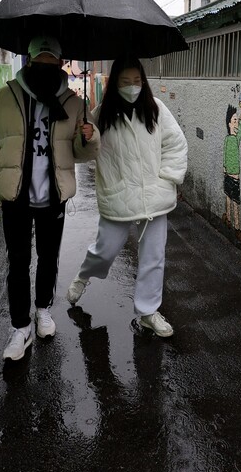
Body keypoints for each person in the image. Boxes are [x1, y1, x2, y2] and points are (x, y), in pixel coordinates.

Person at [0, 36, 98, 361]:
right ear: (28, 63)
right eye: (38, 63)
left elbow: (82, 153)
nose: (45, 69)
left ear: (59, 65)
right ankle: (19, 327)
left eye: (50, 64)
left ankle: (43, 311)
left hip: (53, 197)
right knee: (18, 262)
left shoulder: (72, 103)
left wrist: (88, 136)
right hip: (16, 197)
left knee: (48, 258)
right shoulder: (4, 98)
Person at [65, 58, 188, 338]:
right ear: (114, 84)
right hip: (117, 195)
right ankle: (84, 275)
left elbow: (176, 143)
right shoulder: (100, 116)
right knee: (104, 250)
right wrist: (86, 138)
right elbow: (83, 155)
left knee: (153, 258)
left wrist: (167, 178)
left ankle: (148, 312)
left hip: (153, 198)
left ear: (143, 82)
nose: (132, 87)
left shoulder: (156, 109)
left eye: (136, 81)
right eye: (125, 82)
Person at [222, 99, 241, 241]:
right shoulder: (228, 139)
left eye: (237, 120)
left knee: (235, 201)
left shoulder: (236, 138)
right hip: (227, 174)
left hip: (235, 176)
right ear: (230, 123)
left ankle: (237, 227)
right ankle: (228, 219)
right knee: (228, 197)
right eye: (235, 120)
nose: (237, 122)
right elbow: (225, 155)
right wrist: (224, 169)